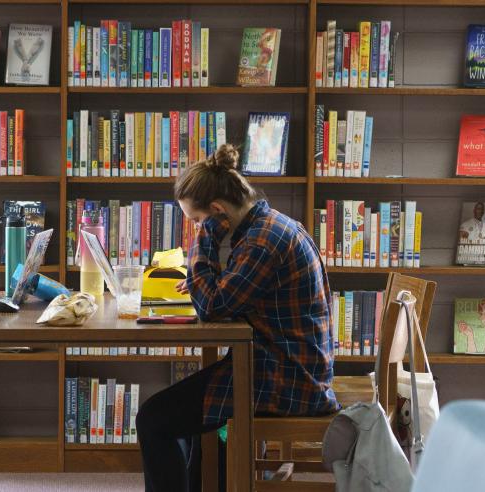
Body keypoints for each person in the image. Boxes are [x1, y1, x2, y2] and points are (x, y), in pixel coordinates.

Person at [136, 144, 339, 491]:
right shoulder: (266, 227)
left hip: (286, 378)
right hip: (285, 364)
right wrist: (204, 282)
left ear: (218, 211)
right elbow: (231, 296)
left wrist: (203, 246)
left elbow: (213, 308)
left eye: (198, 221)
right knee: (183, 418)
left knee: (152, 419)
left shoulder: (262, 242)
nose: (199, 228)